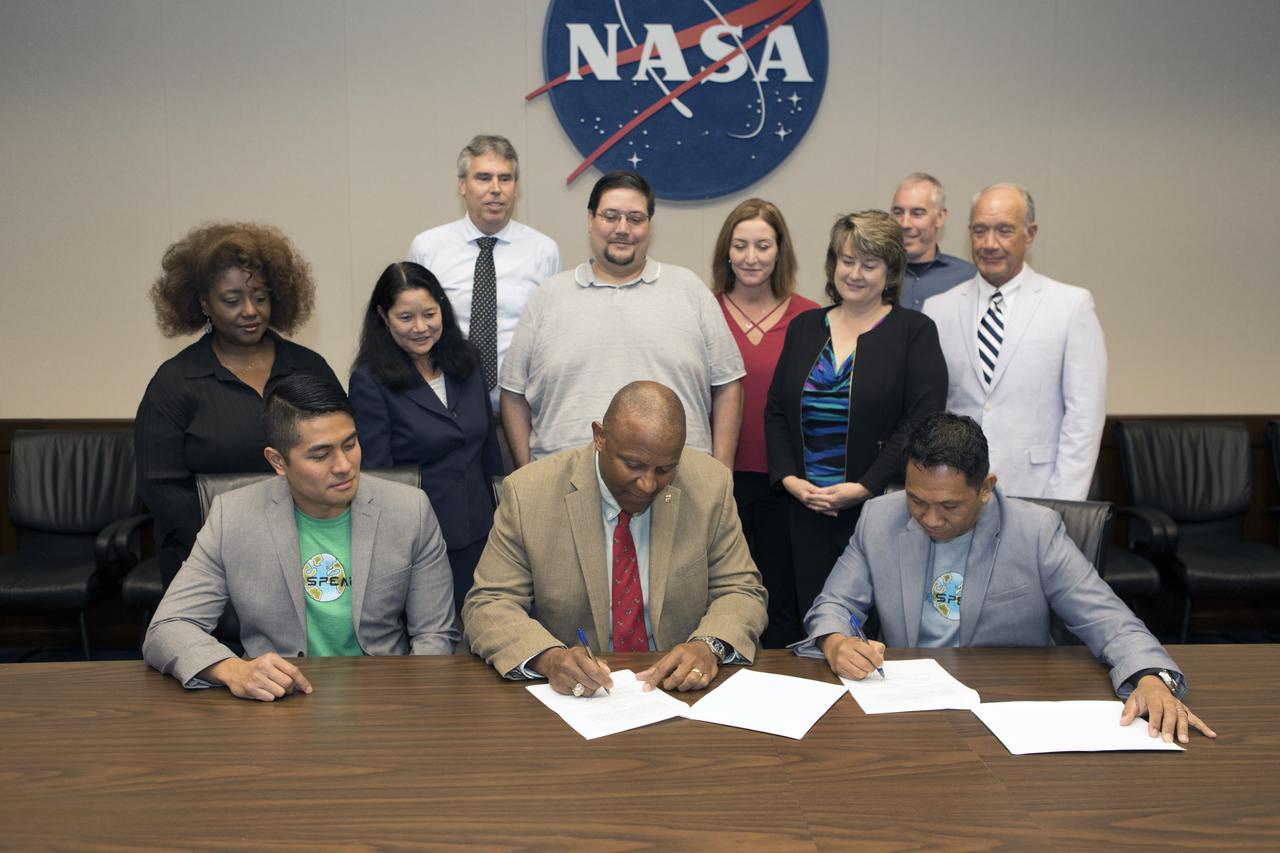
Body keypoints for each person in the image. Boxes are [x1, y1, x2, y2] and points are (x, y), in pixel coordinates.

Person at [796, 412, 1216, 745]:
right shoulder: (878, 517)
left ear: (985, 488)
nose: (931, 518)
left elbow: (1109, 620)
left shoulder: (1036, 531)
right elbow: (834, 604)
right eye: (917, 500)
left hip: (1006, 707)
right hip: (902, 708)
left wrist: (1150, 677)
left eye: (949, 506)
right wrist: (835, 643)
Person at [143, 375, 459, 700]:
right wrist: (233, 669)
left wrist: (412, 700)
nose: (344, 466)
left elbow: (435, 633)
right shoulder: (233, 516)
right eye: (321, 455)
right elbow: (168, 627)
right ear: (278, 461)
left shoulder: (410, 509)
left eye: (350, 444)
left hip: (383, 694)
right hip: (278, 701)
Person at [463, 381, 767, 696]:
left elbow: (741, 590)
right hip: (576, 696)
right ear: (600, 437)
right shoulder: (529, 493)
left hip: (677, 690)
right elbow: (489, 604)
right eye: (633, 465)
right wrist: (549, 659)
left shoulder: (710, 484)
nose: (648, 484)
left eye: (665, 469)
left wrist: (708, 646)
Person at [135, 222, 342, 589]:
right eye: (232, 301)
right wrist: (232, 546)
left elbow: (342, 455)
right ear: (204, 303)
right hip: (209, 560)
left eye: (260, 297)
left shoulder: (309, 368)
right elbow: (162, 487)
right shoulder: (175, 382)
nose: (250, 311)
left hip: (310, 550)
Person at [765, 210, 947, 623]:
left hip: (880, 511)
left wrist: (864, 487)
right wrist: (790, 480)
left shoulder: (914, 332)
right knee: (811, 623)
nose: (855, 273)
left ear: (891, 270)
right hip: (804, 509)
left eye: (870, 264)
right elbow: (776, 410)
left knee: (875, 629)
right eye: (847, 260)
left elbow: (920, 423)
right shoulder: (805, 327)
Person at [500, 170, 745, 469]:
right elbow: (512, 392)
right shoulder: (547, 297)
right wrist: (529, 474)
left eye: (635, 218)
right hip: (563, 481)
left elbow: (728, 385)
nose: (623, 228)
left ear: (650, 225)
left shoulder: (690, 290)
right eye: (610, 216)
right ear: (590, 220)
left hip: (679, 481)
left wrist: (721, 474)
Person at [923, 183, 1106, 500]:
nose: (989, 243)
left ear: (1030, 234)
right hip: (957, 496)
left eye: (1004, 230)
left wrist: (1064, 504)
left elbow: (1084, 418)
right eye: (980, 231)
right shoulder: (939, 309)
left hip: (1038, 491)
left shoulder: (1071, 306)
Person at [349, 262, 502, 613]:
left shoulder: (467, 361)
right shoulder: (370, 381)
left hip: (483, 531)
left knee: (487, 625)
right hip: (420, 541)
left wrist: (504, 519)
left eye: (429, 314)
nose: (420, 327)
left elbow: (489, 452)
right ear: (383, 317)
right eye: (406, 318)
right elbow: (378, 476)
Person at [711, 199, 818, 647]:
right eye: (740, 245)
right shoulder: (705, 311)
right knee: (721, 594)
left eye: (763, 245)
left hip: (786, 483)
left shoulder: (811, 318)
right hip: (719, 479)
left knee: (781, 599)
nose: (751, 257)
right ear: (726, 251)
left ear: (780, 251)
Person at [407, 135, 560, 408]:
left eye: (505, 178)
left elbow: (552, 336)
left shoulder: (544, 250)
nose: (496, 189)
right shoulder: (428, 248)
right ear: (462, 185)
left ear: (516, 188)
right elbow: (411, 330)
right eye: (484, 178)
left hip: (520, 409)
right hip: (447, 407)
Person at [890, 172, 976, 310]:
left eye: (917, 213)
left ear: (940, 217)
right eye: (898, 212)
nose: (904, 224)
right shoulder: (874, 275)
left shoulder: (970, 277)